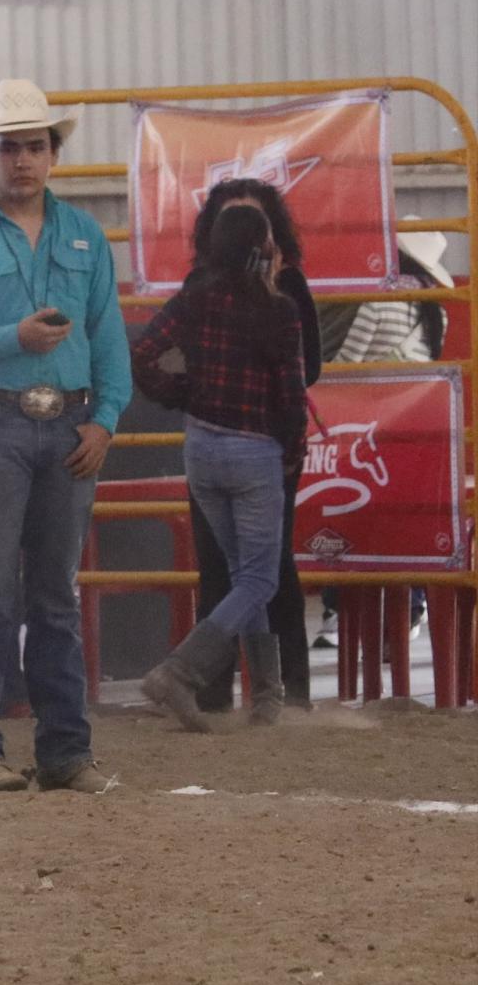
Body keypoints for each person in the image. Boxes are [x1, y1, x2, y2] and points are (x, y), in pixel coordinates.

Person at [0, 79, 132, 794]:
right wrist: (13, 335)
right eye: (10, 147)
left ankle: (65, 751)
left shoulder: (86, 237)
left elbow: (110, 339)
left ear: (54, 154)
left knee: (54, 597)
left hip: (67, 424)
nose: (23, 160)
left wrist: (104, 418)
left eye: (35, 146)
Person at [133, 205, 309, 729]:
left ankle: (267, 699)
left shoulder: (195, 299)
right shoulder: (279, 310)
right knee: (259, 579)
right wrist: (292, 450)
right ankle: (180, 671)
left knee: (242, 574)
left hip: (202, 446)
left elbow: (143, 352)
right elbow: (293, 398)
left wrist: (181, 392)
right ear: (261, 250)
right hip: (255, 452)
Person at [183, 182, 322, 708]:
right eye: (233, 219)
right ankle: (220, 692)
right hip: (256, 442)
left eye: (253, 220)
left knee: (272, 569)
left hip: (256, 443)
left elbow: (311, 364)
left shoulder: (290, 287)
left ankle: (287, 691)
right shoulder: (200, 286)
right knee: (224, 566)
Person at [313, 224, 453, 647]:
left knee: (344, 514)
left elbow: (345, 366)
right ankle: (410, 610)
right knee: (406, 524)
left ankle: (338, 614)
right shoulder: (436, 312)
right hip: (414, 431)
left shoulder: (375, 303)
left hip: (366, 432)